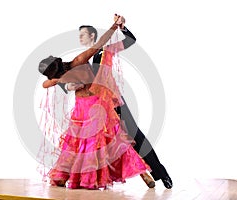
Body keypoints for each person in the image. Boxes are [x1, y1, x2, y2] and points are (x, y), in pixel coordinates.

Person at [38, 15, 152, 189]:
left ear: (59, 69)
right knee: (79, 145)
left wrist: (114, 26)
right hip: (81, 110)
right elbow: (46, 84)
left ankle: (143, 174)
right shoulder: (60, 76)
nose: (57, 79)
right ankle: (76, 177)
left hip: (96, 106)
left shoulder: (79, 61)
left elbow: (100, 45)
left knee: (109, 141)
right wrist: (68, 86)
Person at [66, 20, 173, 189]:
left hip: (112, 100)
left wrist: (122, 28)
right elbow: (67, 79)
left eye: (83, 34)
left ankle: (160, 173)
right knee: (100, 144)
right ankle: (93, 178)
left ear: (92, 36)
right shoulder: (81, 60)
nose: (80, 38)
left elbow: (130, 40)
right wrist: (70, 86)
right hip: (94, 107)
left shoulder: (106, 49)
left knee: (135, 135)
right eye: (79, 35)